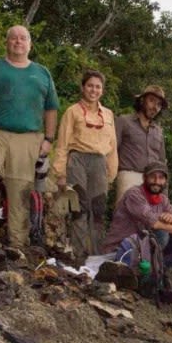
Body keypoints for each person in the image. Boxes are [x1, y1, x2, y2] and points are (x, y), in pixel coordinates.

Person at [0, 25, 60, 247]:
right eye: (13, 38)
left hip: (28, 137)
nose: (18, 41)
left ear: (30, 44)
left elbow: (51, 108)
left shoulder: (42, 73)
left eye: (23, 38)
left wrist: (48, 139)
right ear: (6, 43)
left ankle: (18, 242)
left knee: (21, 189)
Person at [52, 70, 118, 255]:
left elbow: (112, 146)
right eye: (90, 85)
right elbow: (62, 144)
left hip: (99, 162)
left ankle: (96, 256)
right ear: (83, 87)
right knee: (79, 209)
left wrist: (111, 173)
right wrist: (60, 173)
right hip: (77, 160)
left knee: (98, 210)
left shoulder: (108, 114)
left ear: (102, 91)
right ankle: (79, 255)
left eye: (97, 87)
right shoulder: (72, 112)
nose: (93, 90)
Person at [103, 161, 172, 255]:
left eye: (161, 178)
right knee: (163, 233)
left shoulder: (163, 200)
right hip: (120, 248)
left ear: (165, 181)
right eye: (152, 177)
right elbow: (154, 223)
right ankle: (142, 266)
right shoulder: (134, 194)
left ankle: (157, 267)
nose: (157, 182)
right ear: (144, 178)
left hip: (141, 246)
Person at [114, 85, 168, 205]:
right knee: (125, 217)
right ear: (142, 100)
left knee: (151, 220)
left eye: (159, 104)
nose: (155, 107)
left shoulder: (158, 131)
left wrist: (164, 192)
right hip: (129, 175)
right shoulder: (124, 121)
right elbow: (112, 150)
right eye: (152, 100)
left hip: (153, 181)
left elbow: (161, 163)